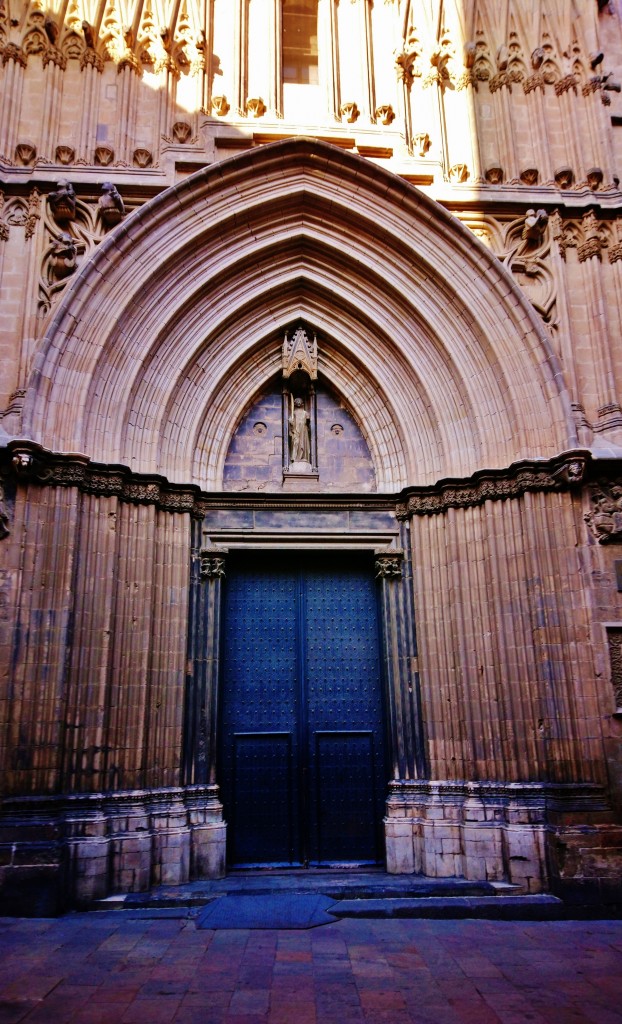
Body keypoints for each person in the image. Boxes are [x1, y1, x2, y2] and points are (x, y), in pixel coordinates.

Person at [289, 396, 311, 463]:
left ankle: (303, 457)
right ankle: (295, 457)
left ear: (302, 403)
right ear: (295, 403)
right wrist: (291, 421)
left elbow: (308, 422)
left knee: (303, 443)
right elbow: (291, 422)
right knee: (296, 442)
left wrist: (308, 420)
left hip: (303, 430)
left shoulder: (305, 413)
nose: (298, 402)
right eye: (297, 401)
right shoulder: (294, 413)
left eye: (300, 401)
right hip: (296, 430)